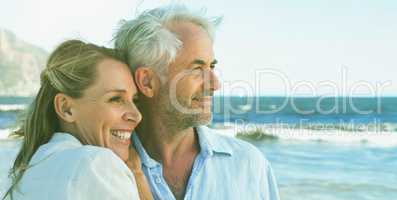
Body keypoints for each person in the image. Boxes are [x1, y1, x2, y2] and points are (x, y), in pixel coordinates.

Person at [113, 4, 280, 200]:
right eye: (197, 69)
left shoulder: (248, 165)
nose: (215, 84)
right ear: (147, 82)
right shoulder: (105, 167)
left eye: (212, 66)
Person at [2, 40, 152, 200]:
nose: (137, 115)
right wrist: (138, 178)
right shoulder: (98, 164)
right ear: (66, 108)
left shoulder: (32, 170)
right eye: (115, 99)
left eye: (134, 100)